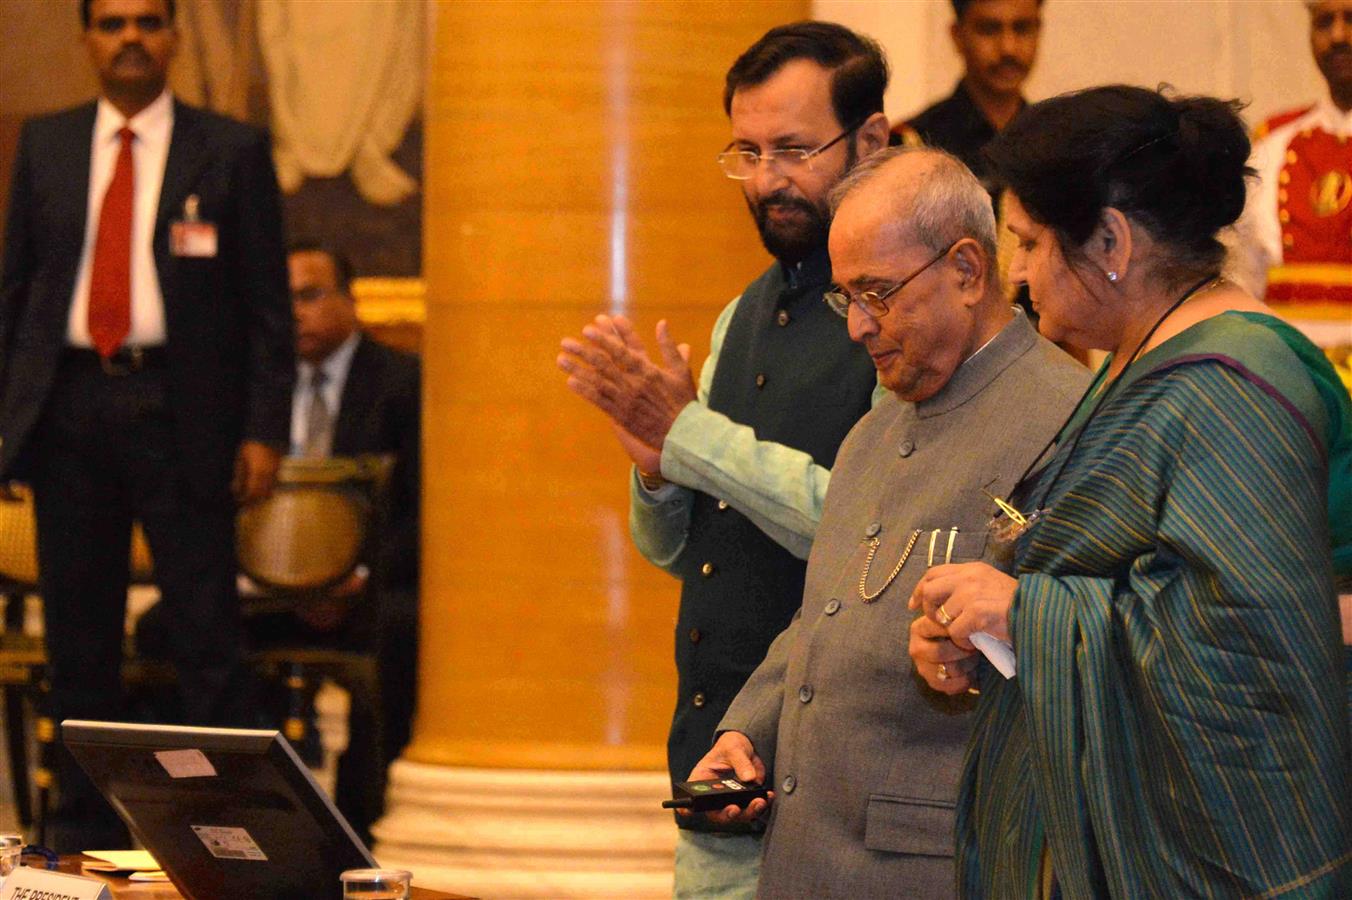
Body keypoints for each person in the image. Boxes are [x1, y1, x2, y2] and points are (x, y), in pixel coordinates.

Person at [910, 85, 1351, 897]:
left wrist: (1022, 613)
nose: (1019, 275)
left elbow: (1243, 648)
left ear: (1111, 239)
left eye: (1032, 243)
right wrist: (993, 640)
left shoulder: (1233, 387)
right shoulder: (1140, 358)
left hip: (1218, 854)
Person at [686, 147, 1087, 899]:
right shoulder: (871, 432)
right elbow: (825, 615)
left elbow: (1079, 657)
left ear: (969, 271)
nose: (857, 328)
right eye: (845, 299)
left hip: (938, 870)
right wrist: (748, 732)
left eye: (877, 293)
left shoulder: (1068, 419)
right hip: (803, 863)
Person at [556, 22, 889, 897]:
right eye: (746, 151)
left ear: (873, 141)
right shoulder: (743, 313)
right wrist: (658, 470)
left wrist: (690, 436)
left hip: (833, 779)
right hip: (712, 763)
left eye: (792, 149)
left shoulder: (899, 319)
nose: (768, 180)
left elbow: (874, 532)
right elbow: (680, 552)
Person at [0, 0, 292, 850]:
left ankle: (225, 833)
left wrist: (264, 430)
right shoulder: (47, 145)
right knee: (78, 640)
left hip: (184, 412)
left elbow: (267, 307)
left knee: (206, 637)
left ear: (171, 37)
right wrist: (12, 423)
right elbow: (16, 293)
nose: (131, 36)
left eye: (148, 21)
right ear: (86, 37)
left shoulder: (230, 148)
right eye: (112, 22)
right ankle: (80, 831)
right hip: (69, 411)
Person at [1228, 0, 1352, 371]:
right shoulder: (1271, 144)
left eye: (1351, 19)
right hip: (1289, 379)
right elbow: (1241, 280)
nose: (1338, 36)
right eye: (1323, 22)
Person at [893, 0, 1043, 199]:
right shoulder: (914, 143)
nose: (1008, 48)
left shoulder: (1057, 141)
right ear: (957, 36)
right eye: (989, 30)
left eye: (1022, 28)